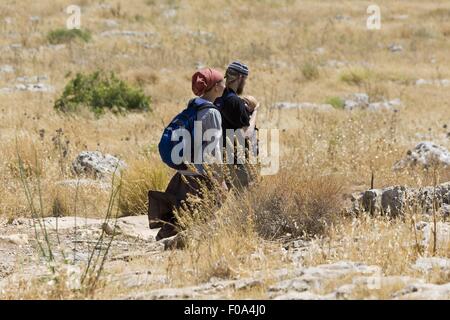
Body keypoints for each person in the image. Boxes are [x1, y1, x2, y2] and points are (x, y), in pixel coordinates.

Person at [149, 68, 226, 241]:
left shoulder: (194, 108)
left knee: (180, 215)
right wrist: (220, 178)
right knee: (206, 214)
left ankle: (163, 243)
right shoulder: (211, 112)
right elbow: (213, 148)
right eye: (222, 81)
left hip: (184, 173)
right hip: (201, 175)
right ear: (215, 87)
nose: (225, 83)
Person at [215, 61, 259, 190]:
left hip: (219, 153)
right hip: (235, 158)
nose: (244, 83)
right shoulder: (235, 101)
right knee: (244, 199)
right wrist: (255, 111)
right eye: (245, 79)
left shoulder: (217, 97)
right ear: (240, 77)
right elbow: (246, 134)